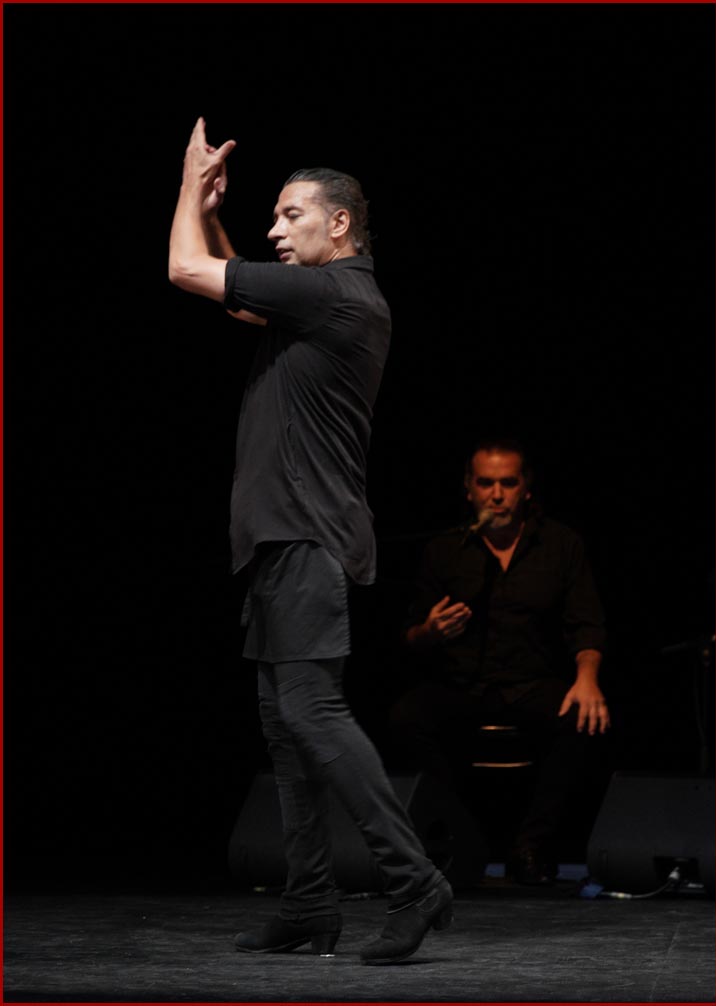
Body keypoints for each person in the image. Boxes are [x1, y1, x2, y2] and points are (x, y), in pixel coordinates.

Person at [168, 117, 452, 964]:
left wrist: (189, 188)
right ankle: (308, 903)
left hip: (305, 537)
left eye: (290, 216)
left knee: (311, 714)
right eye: (272, 217)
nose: (274, 229)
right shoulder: (320, 301)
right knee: (286, 730)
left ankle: (414, 882)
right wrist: (213, 215)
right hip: (280, 540)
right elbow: (241, 294)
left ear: (339, 223)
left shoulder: (335, 293)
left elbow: (185, 269)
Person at [388, 438, 609, 884]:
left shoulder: (560, 544)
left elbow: (586, 624)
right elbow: (409, 635)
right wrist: (429, 632)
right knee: (405, 719)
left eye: (507, 483)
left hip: (531, 682)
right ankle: (463, 836)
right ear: (468, 488)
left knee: (583, 720)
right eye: (486, 484)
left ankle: (530, 846)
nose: (496, 495)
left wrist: (587, 678)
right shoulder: (445, 549)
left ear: (525, 488)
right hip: (462, 686)